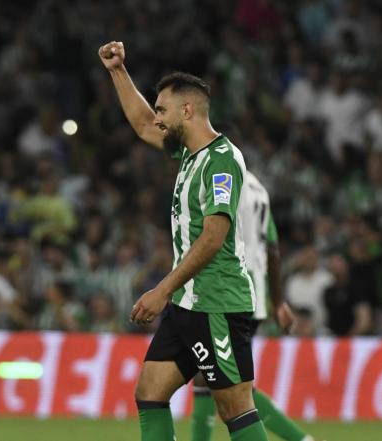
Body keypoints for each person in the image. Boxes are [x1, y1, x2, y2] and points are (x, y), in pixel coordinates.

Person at [99, 41, 269, 441]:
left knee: (235, 409)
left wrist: (161, 290)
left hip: (217, 303)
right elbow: (142, 125)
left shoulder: (221, 160)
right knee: (150, 392)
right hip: (187, 303)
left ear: (187, 111)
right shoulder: (189, 154)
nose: (157, 118)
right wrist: (117, 71)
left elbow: (214, 237)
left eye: (163, 110)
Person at [190, 168, 314, 441]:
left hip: (232, 292)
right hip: (254, 293)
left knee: (221, 381)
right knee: (216, 378)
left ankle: (301, 440)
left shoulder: (224, 181)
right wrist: (278, 300)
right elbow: (272, 246)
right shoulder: (258, 188)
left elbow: (214, 237)